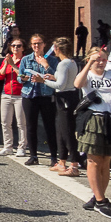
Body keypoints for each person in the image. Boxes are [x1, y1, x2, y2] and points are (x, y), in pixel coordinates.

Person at [74, 47, 111, 221]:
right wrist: (90, 62)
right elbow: (77, 84)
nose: (101, 62)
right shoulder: (87, 74)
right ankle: (100, 200)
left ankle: (98, 196)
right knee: (94, 159)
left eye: (103, 59)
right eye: (97, 59)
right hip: (93, 118)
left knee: (106, 160)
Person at [42, 37, 81, 176]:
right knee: (60, 131)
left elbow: (60, 85)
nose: (53, 51)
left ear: (58, 49)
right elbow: (61, 80)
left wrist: (43, 81)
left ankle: (74, 164)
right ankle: (62, 161)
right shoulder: (69, 62)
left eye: (54, 48)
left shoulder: (64, 63)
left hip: (66, 98)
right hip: (65, 97)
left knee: (67, 132)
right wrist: (52, 77)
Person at [19, 34, 58, 166]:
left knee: (50, 126)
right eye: (34, 44)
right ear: (31, 45)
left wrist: (46, 65)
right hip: (29, 95)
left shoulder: (52, 60)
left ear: (44, 45)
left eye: (39, 43)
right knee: (31, 126)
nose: (37, 46)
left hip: (46, 95)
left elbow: (56, 77)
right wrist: (23, 78)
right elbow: (20, 76)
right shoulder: (26, 59)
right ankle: (33, 155)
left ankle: (54, 157)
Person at [0, 37, 28, 157]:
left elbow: (24, 76)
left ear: (23, 48)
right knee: (5, 122)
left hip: (20, 95)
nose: (15, 48)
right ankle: (7, 146)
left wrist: (13, 65)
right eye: (13, 46)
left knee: (21, 123)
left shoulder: (25, 60)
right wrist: (6, 64)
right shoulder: (7, 59)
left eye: (18, 46)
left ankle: (22, 147)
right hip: (6, 94)